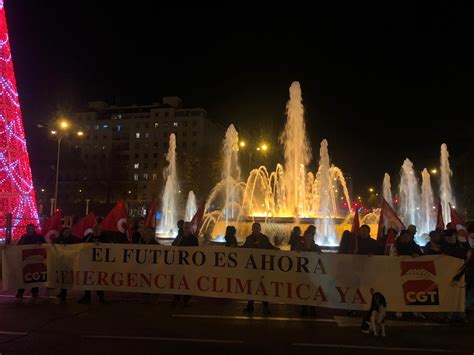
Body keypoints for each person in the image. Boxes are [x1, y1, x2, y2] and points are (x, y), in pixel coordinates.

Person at [242, 222, 277, 315]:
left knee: (263, 287)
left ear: (260, 229)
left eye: (257, 228)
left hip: (262, 266)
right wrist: (234, 248)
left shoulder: (264, 238)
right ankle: (250, 306)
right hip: (252, 267)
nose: (256, 229)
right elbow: (243, 248)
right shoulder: (249, 239)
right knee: (251, 286)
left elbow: (270, 247)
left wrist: (276, 249)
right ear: (252, 229)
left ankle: (265, 307)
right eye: (254, 227)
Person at [291, 225, 321, 317]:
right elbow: (293, 254)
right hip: (303, 273)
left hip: (312, 273)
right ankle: (304, 308)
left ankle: (312, 309)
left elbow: (322, 257)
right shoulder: (300, 246)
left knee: (312, 290)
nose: (308, 238)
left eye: (310, 237)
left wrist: (320, 254)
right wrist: (296, 252)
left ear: (312, 237)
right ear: (305, 237)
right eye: (307, 236)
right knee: (304, 290)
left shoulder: (316, 247)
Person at [78, 224, 109, 304]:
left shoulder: (104, 237)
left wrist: (101, 244)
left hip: (99, 263)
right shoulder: (89, 236)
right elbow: (80, 243)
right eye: (95, 228)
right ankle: (87, 296)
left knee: (99, 280)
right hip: (89, 262)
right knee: (88, 279)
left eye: (98, 229)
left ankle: (101, 297)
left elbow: (111, 246)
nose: (96, 230)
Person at [15, 224, 46, 301]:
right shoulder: (23, 237)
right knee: (23, 276)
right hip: (25, 260)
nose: (29, 230)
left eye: (31, 228)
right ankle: (20, 292)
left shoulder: (39, 237)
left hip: (35, 260)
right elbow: (18, 246)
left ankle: (34, 292)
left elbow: (45, 245)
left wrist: (41, 244)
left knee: (34, 276)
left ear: (34, 229)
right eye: (28, 228)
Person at [172, 222, 198, 307]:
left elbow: (196, 252)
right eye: (184, 228)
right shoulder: (179, 237)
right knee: (177, 281)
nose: (186, 229)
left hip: (189, 265)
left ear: (190, 229)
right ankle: (177, 298)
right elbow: (173, 246)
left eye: (187, 228)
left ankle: (186, 300)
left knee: (188, 282)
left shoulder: (194, 239)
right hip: (179, 265)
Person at [54, 228, 79, 302]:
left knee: (66, 276)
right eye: (65, 231)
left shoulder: (72, 239)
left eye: (68, 232)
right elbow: (53, 245)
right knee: (61, 276)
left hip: (69, 261)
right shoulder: (59, 239)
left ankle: (64, 292)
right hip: (60, 261)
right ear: (62, 232)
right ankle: (62, 292)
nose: (67, 233)